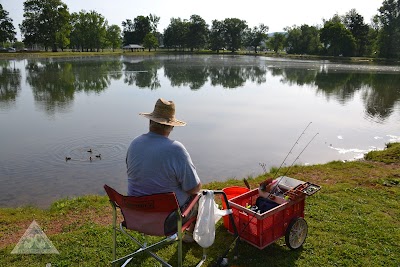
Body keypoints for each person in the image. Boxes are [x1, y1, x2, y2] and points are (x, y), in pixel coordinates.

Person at [126, 98, 202, 241]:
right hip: (167, 222)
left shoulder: (134, 143)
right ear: (171, 127)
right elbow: (194, 188)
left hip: (134, 215)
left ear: (150, 122)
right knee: (200, 197)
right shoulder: (176, 149)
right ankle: (189, 236)